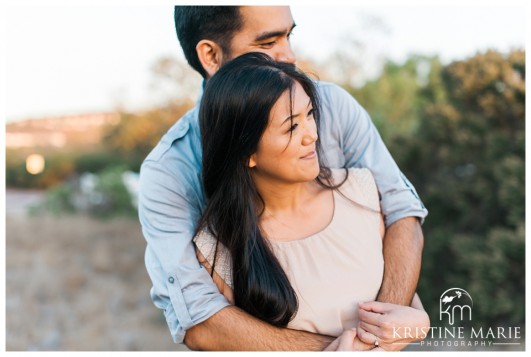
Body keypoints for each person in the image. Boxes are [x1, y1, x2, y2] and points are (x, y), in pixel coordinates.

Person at [139, 6, 428, 351]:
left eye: (289, 35)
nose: (289, 55)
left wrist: (388, 330)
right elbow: (200, 318)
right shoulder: (169, 172)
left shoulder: (335, 111)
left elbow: (401, 214)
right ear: (211, 55)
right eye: (268, 42)